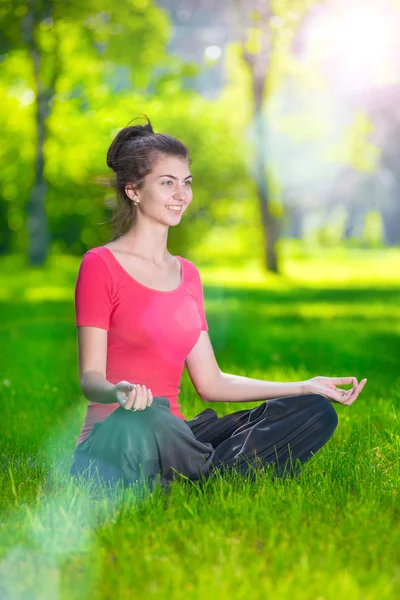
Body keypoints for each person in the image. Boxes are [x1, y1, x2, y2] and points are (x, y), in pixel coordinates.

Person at [70, 117, 367, 492]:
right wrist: (119, 392)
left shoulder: (187, 275)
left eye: (186, 182)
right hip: (118, 438)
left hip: (179, 437)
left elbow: (212, 382)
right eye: (167, 183)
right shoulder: (100, 265)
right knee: (152, 414)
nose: (182, 194)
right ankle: (212, 473)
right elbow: (90, 379)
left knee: (313, 413)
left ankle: (197, 475)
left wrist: (304, 387)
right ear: (133, 191)